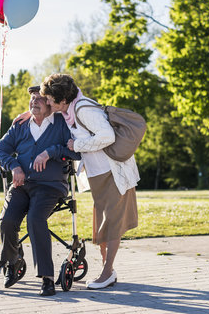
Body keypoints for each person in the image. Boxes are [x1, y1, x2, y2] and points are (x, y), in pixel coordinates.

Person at [40, 73, 139, 290]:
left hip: (112, 172)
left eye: (49, 99)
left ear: (63, 100)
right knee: (103, 224)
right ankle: (107, 271)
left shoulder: (84, 109)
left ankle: (107, 272)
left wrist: (78, 146)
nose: (47, 102)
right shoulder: (69, 111)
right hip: (98, 175)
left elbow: (107, 137)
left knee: (112, 224)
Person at [0, 86, 80, 296]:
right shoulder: (20, 125)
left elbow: (77, 151)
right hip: (22, 186)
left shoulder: (62, 124)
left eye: (40, 98)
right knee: (7, 221)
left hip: (50, 186)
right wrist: (14, 166)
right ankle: (11, 265)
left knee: (35, 219)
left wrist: (51, 152)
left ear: (51, 103)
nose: (34, 102)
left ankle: (47, 278)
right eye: (32, 98)